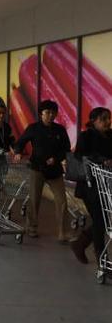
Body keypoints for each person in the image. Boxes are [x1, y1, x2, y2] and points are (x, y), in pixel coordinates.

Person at [14, 100, 71, 241]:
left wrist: (56, 159)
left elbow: (66, 149)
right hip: (37, 169)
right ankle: (31, 227)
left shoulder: (60, 130)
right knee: (34, 199)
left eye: (53, 113)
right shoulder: (33, 128)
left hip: (55, 171)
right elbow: (21, 141)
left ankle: (62, 232)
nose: (51, 115)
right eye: (47, 113)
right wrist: (18, 152)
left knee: (62, 201)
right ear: (41, 114)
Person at [70, 107, 112, 264]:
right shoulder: (86, 136)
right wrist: (101, 160)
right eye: (104, 119)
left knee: (102, 222)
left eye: (109, 118)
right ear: (94, 121)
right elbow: (80, 155)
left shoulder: (110, 135)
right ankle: (102, 259)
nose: (108, 122)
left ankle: (79, 244)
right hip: (90, 186)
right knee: (101, 222)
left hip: (107, 185)